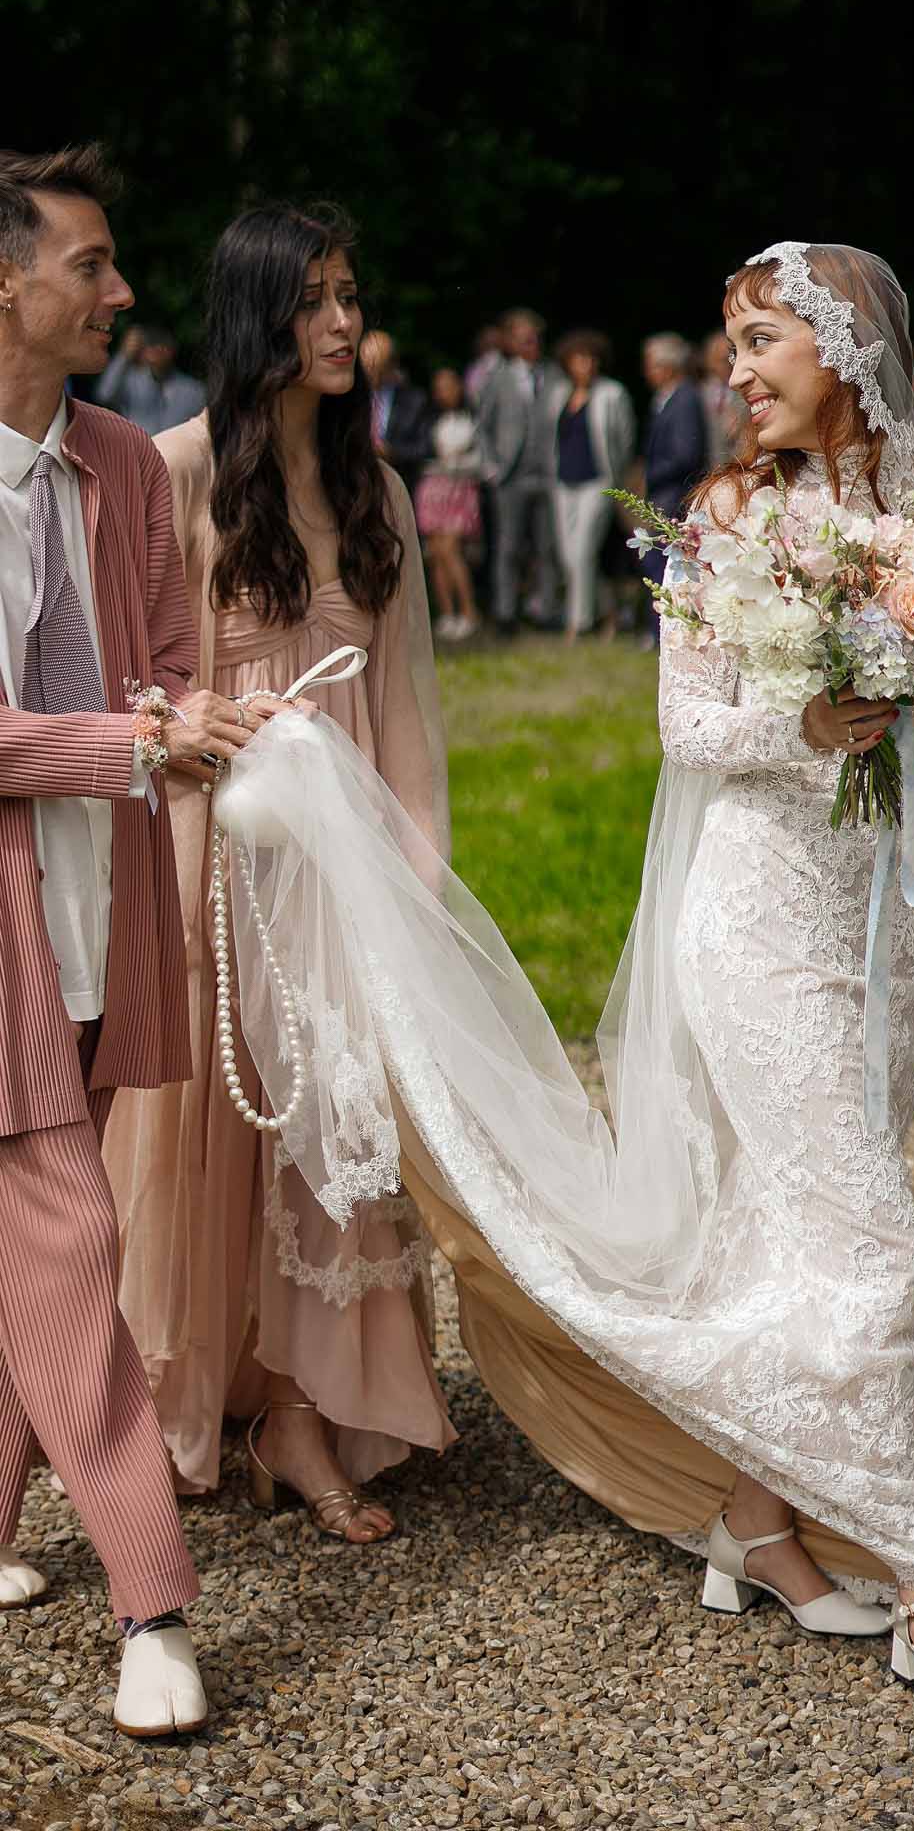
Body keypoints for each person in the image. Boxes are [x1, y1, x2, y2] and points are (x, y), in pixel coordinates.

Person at [211, 242, 914, 1717]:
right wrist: (813, 717)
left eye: (761, 341)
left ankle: (758, 1528)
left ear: (845, 348)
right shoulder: (719, 517)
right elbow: (692, 732)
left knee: (780, 1230)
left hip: (892, 932)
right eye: (729, 348)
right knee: (869, 1248)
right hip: (754, 922)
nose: (736, 372)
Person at [104, 203, 456, 1541]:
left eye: (351, 297)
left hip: (347, 862)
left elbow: (409, 714)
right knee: (213, 1130)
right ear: (258, 316)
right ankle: (205, 1387)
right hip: (213, 855)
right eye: (313, 300)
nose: (343, 324)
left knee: (336, 1135)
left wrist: (415, 888)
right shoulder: (173, 469)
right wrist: (187, 726)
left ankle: (305, 1406)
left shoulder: (373, 490)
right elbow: (128, 681)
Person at [0, 142, 284, 1734]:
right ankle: (155, 1604)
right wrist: (136, 741)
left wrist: (194, 712)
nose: (119, 290)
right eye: (91, 263)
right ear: (4, 282)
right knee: (70, 1249)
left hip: (98, 912)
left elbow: (167, 655)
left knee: (23, 1248)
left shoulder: (114, 457)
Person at [543, 330, 635, 640]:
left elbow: (624, 441)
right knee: (570, 556)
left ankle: (578, 623)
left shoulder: (612, 394)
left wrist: (617, 480)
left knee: (582, 551)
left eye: (591, 358)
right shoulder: (559, 394)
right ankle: (608, 612)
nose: (586, 364)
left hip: (598, 481)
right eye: (579, 359)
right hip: (564, 482)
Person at [477, 307, 560, 636]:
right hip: (510, 475)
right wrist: (491, 467)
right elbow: (482, 426)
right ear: (512, 342)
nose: (530, 343)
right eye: (524, 338)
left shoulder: (553, 374)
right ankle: (505, 612)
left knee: (547, 547)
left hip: (547, 474)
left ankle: (547, 610)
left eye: (534, 338)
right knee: (508, 546)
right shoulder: (498, 378)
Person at [639, 333, 708, 633]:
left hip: (674, 494)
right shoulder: (667, 399)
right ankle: (659, 627)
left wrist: (648, 475)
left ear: (666, 367)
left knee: (667, 566)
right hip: (665, 492)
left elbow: (685, 454)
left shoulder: (685, 399)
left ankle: (665, 628)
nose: (647, 371)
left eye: (651, 364)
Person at [415, 366, 486, 641]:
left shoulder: (473, 419)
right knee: (435, 554)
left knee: (451, 550)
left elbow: (483, 458)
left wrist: (457, 461)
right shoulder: (428, 421)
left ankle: (469, 612)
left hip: (460, 489)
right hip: (434, 488)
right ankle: (447, 614)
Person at [93, 323, 206, 436]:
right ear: (142, 350)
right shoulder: (130, 382)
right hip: (137, 451)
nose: (158, 351)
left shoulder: (194, 390)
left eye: (164, 345)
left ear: (173, 349)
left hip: (178, 452)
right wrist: (124, 355)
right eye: (152, 345)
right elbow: (104, 395)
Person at [362, 330, 433, 501]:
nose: (373, 373)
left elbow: (425, 448)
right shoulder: (343, 399)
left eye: (379, 366)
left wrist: (393, 453)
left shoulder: (415, 401)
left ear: (392, 364)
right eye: (368, 366)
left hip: (399, 489)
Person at [699, 327, 748, 464]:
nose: (727, 364)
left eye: (731, 358)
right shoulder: (699, 394)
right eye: (720, 360)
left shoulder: (746, 392)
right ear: (709, 361)